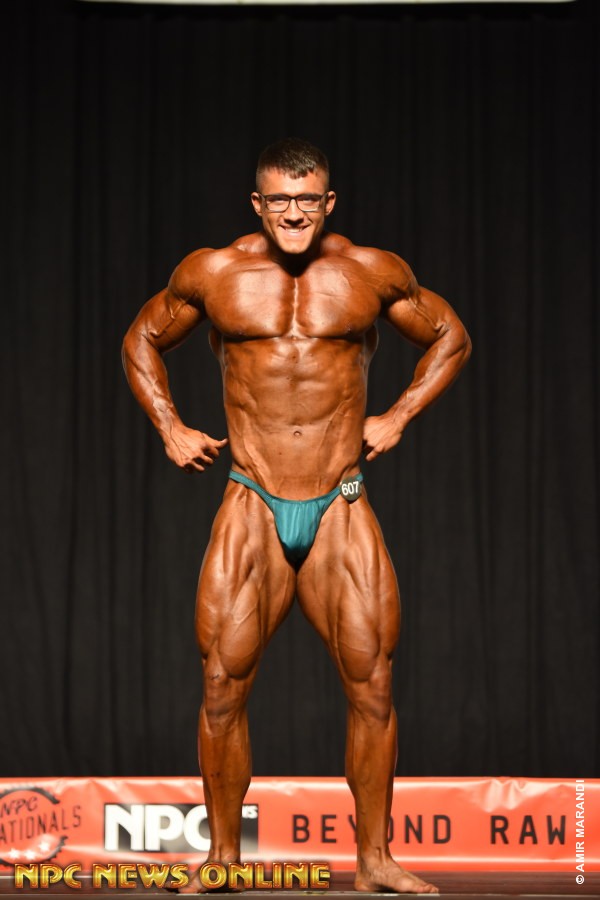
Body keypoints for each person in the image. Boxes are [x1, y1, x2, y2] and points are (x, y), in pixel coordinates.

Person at [122, 138, 471, 895]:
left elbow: (452, 335)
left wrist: (400, 414)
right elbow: (141, 337)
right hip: (252, 497)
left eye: (306, 200)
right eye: (279, 199)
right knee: (222, 685)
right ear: (258, 203)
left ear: (328, 203)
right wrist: (169, 426)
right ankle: (222, 861)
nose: (292, 213)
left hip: (340, 500)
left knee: (372, 685)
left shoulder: (369, 272)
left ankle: (375, 860)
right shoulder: (214, 273)